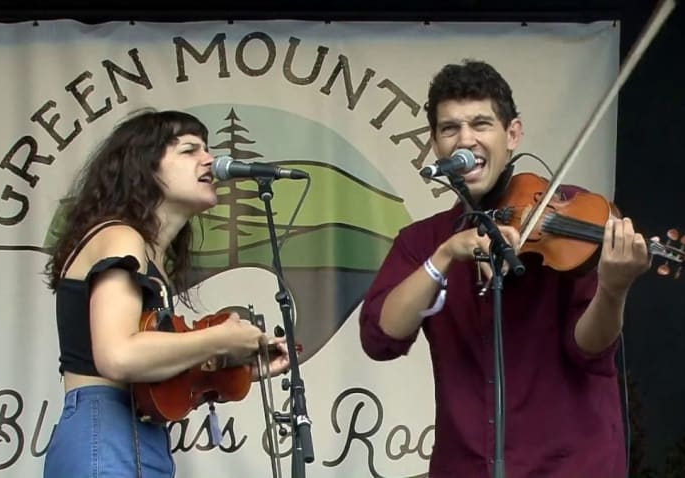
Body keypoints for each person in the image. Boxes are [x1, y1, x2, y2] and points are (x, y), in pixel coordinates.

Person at [359, 59, 651, 477]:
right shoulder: (423, 242)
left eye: (481, 124)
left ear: (512, 134)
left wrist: (614, 288)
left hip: (569, 466)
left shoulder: (568, 215)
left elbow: (589, 349)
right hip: (467, 466)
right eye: (450, 129)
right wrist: (444, 256)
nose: (466, 140)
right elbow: (380, 337)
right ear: (435, 145)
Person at [42, 108, 290, 477]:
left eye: (207, 149)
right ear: (144, 167)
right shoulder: (120, 237)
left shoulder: (146, 254)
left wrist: (231, 370)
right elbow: (118, 356)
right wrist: (219, 338)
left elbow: (149, 374)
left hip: (135, 438)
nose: (209, 159)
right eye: (189, 150)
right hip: (104, 431)